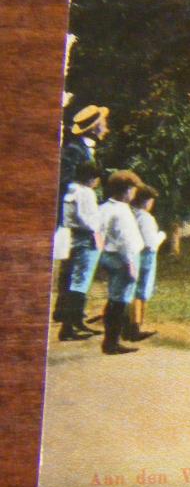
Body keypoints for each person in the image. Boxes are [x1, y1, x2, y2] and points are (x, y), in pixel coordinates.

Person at [53, 105, 109, 323]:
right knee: (74, 263)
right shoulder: (73, 151)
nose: (107, 128)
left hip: (83, 212)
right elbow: (64, 181)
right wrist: (82, 192)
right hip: (75, 215)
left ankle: (67, 310)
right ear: (95, 128)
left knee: (75, 265)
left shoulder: (88, 149)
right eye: (104, 124)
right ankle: (67, 312)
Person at [97, 170, 144, 355]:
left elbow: (98, 233)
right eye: (132, 190)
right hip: (124, 258)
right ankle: (112, 342)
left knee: (114, 298)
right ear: (126, 190)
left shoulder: (104, 208)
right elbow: (126, 241)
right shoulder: (122, 211)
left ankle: (112, 339)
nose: (133, 194)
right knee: (119, 301)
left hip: (109, 255)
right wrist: (130, 264)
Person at [57, 161, 104, 341]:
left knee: (74, 280)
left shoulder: (71, 189)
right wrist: (98, 227)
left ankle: (76, 322)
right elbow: (87, 219)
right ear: (91, 178)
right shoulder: (85, 192)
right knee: (79, 283)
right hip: (85, 237)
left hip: (73, 237)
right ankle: (68, 327)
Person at [126, 185, 166, 341]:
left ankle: (131, 324)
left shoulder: (131, 214)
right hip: (147, 254)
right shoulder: (146, 218)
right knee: (143, 289)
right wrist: (161, 235)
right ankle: (137, 325)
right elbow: (151, 243)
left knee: (134, 287)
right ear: (146, 201)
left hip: (133, 253)